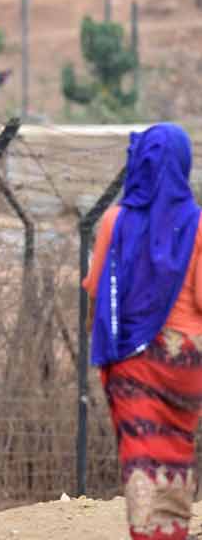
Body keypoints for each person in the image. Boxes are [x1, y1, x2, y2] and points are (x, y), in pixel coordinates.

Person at [84, 124, 202, 540]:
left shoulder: (115, 222)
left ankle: (147, 532)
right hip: (187, 361)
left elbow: (97, 287)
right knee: (176, 449)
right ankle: (173, 528)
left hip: (134, 361)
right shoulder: (198, 223)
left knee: (142, 454)